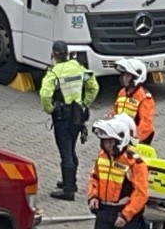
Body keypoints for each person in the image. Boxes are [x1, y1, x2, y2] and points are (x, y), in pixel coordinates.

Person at [40, 40, 99, 201]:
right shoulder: (78, 67)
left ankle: (68, 191)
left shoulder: (54, 72)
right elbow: (94, 86)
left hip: (62, 118)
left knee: (65, 152)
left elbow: (45, 94)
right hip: (77, 117)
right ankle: (70, 182)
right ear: (67, 53)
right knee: (71, 149)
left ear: (53, 54)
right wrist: (85, 103)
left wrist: (50, 109)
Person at [87, 117, 149, 229]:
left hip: (124, 213)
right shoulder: (102, 156)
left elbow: (141, 192)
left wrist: (125, 215)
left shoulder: (134, 161)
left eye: (110, 141)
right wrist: (93, 196)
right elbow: (95, 178)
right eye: (104, 141)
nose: (107, 145)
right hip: (104, 211)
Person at [111, 58, 156, 144]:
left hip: (138, 138)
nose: (124, 78)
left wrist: (135, 139)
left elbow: (146, 123)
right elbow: (115, 112)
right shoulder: (122, 92)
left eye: (128, 76)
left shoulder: (144, 97)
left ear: (136, 77)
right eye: (124, 75)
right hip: (123, 136)